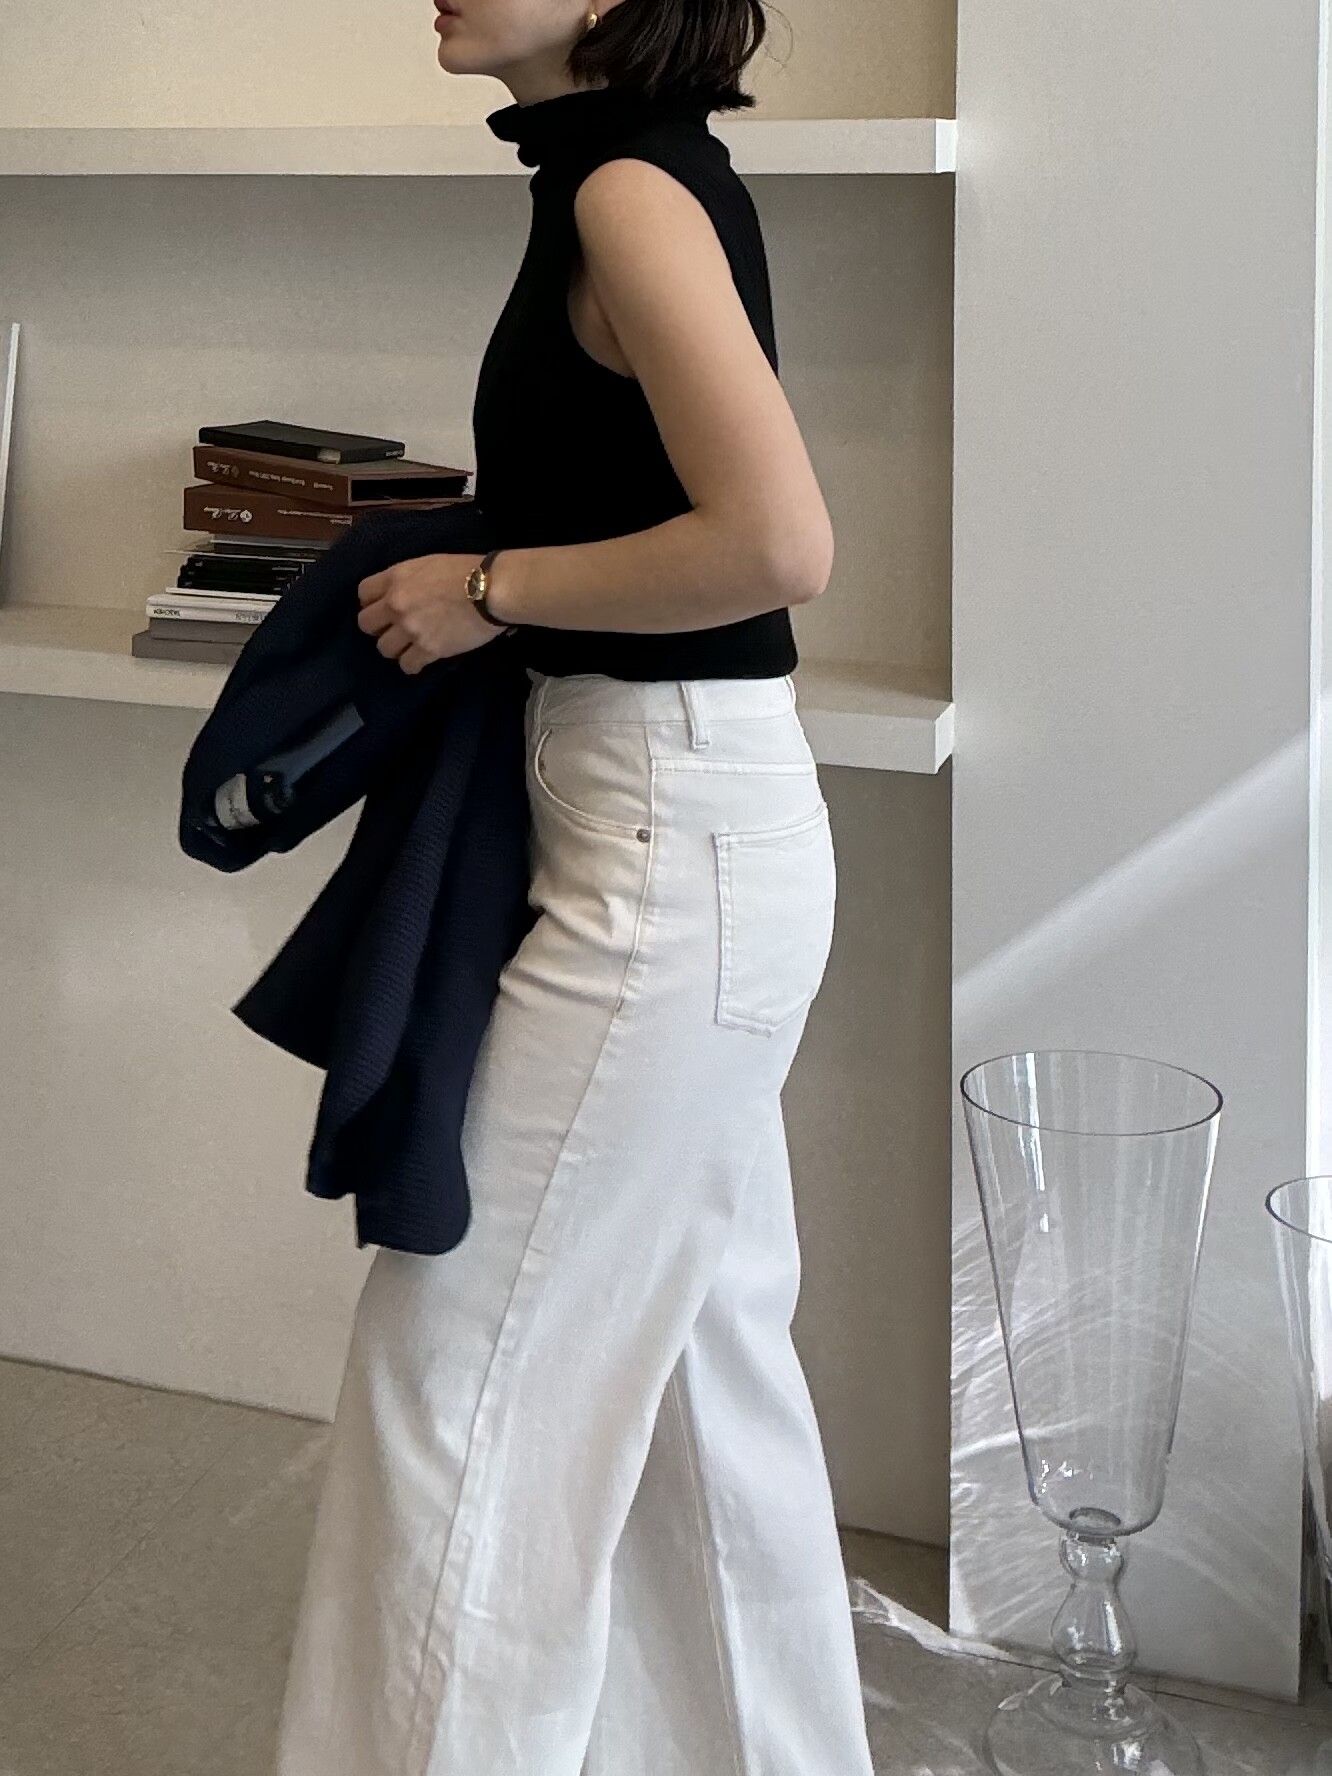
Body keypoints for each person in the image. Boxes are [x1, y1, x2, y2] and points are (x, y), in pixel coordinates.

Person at [273, 0, 876, 1770]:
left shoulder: (626, 187)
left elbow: (778, 542)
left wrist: (493, 587)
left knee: (459, 1368)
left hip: (669, 839)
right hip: (680, 822)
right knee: (696, 1383)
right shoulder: (619, 176)